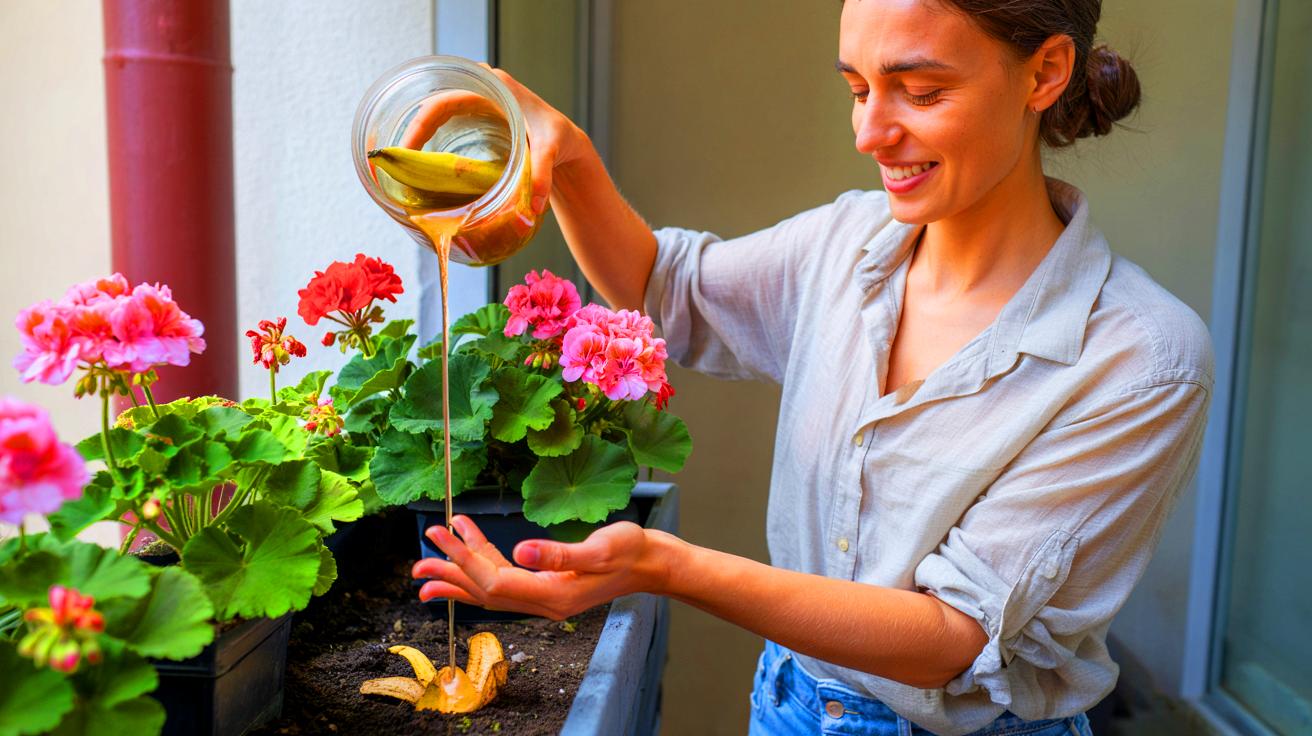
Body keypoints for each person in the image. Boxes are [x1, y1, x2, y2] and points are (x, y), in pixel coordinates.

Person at [409, 1, 1214, 733]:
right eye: (858, 89)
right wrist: (573, 161)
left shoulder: (1141, 359)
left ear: (1045, 72)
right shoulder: (845, 244)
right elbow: (669, 288)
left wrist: (665, 567)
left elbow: (949, 638)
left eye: (920, 92)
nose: (869, 134)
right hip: (790, 703)